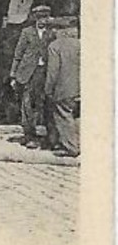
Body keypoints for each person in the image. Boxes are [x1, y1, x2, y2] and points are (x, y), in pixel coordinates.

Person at [8, 4, 52, 147]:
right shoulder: (27, 32)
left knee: (44, 103)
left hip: (45, 72)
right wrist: (13, 75)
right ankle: (29, 135)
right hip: (28, 73)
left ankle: (47, 136)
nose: (42, 21)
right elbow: (18, 54)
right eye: (39, 18)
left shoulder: (52, 33)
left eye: (44, 17)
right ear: (34, 18)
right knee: (27, 104)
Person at [44, 14, 80, 158]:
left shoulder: (55, 46)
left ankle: (71, 147)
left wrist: (48, 89)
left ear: (61, 30)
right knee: (75, 115)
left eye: (55, 29)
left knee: (63, 115)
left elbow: (53, 71)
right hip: (79, 87)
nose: (53, 32)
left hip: (63, 88)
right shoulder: (80, 44)